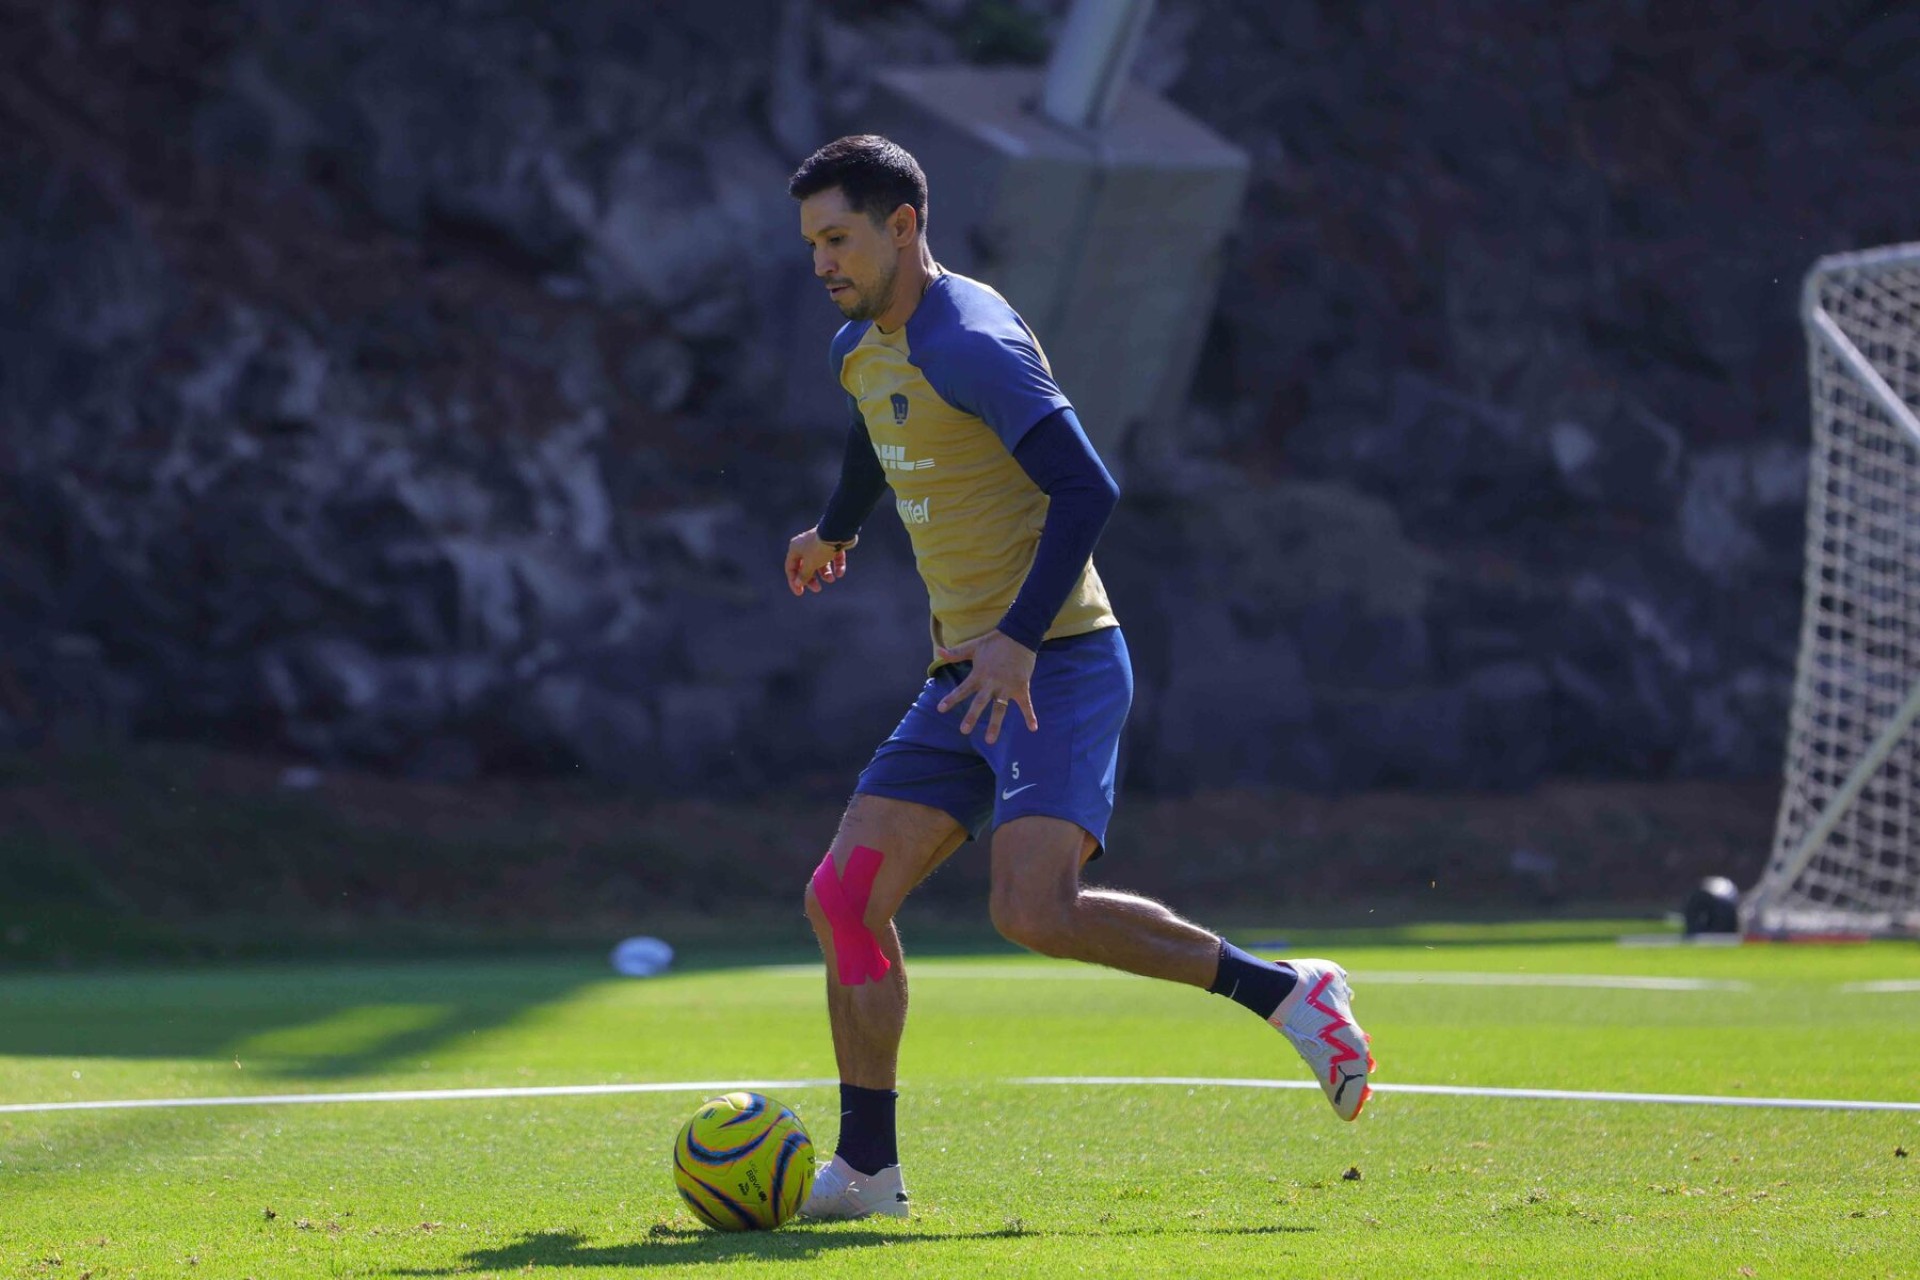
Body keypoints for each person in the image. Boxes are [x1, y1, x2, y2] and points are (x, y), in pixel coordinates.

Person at [782, 135, 1373, 1221]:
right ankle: (867, 1171)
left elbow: (1087, 486)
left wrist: (1016, 636)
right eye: (812, 241)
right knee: (845, 897)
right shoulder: (859, 347)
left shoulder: (972, 341)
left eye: (839, 238)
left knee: (1033, 909)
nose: (822, 261)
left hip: (1055, 661)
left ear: (903, 226)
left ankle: (1288, 991)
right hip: (965, 674)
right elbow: (879, 428)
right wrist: (836, 529)